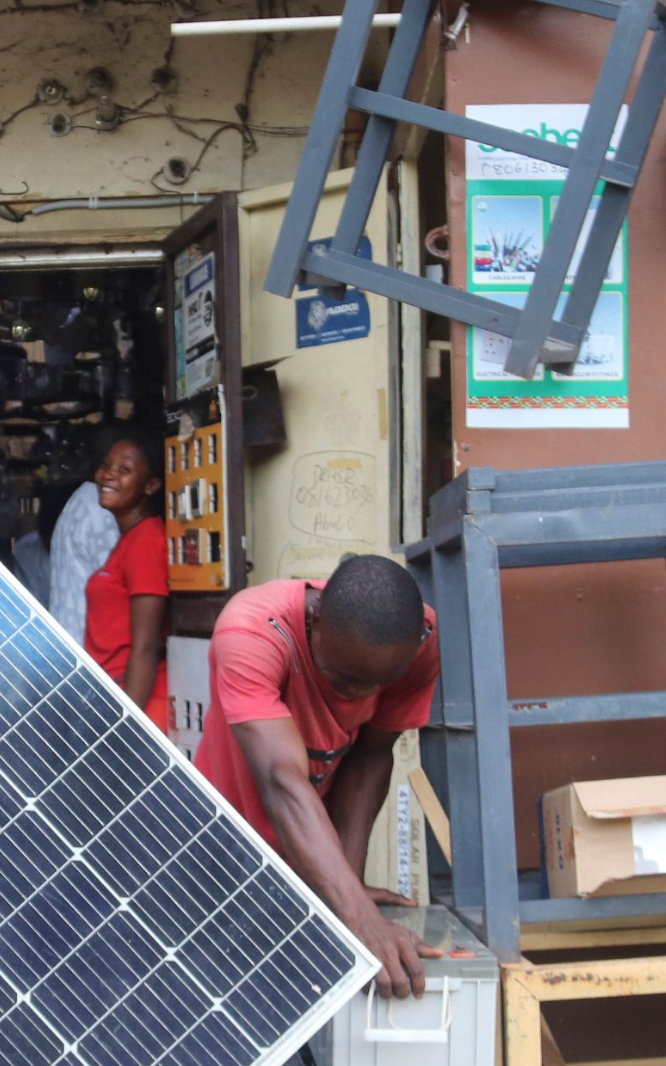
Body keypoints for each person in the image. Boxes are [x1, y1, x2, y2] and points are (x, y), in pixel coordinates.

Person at [192, 554, 443, 996]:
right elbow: (281, 781)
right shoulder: (252, 631)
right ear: (314, 619)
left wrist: (345, 895)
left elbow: (371, 756)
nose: (363, 697)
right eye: (345, 680)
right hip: (219, 851)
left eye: (379, 684)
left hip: (310, 847)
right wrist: (359, 916)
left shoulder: (418, 639)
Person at [79, 424, 169, 729]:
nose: (108, 475)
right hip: (115, 695)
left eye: (124, 469)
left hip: (136, 701)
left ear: (151, 485)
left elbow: (146, 643)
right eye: (106, 464)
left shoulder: (147, 541)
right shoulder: (130, 539)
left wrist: (128, 725)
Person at [45, 476, 118, 643]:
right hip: (89, 647)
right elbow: (115, 589)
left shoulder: (79, 501)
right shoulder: (101, 510)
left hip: (68, 642)